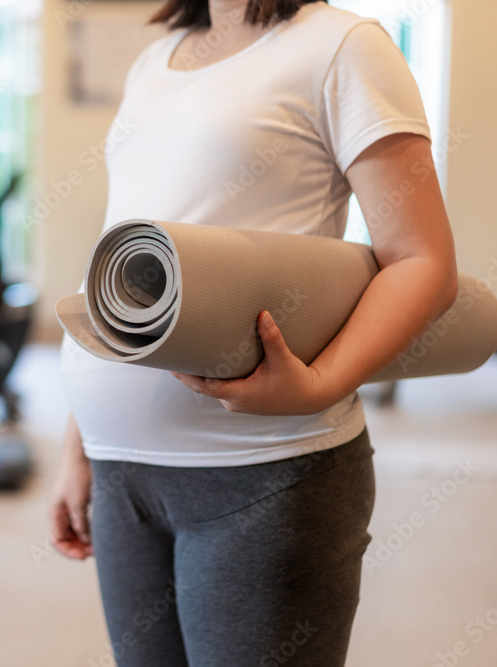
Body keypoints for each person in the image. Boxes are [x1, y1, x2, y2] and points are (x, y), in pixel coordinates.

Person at [49, 0, 458, 665]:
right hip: (120, 470)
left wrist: (318, 384)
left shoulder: (344, 45)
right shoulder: (157, 58)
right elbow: (128, 268)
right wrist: (79, 444)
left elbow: (423, 262)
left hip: (261, 469)